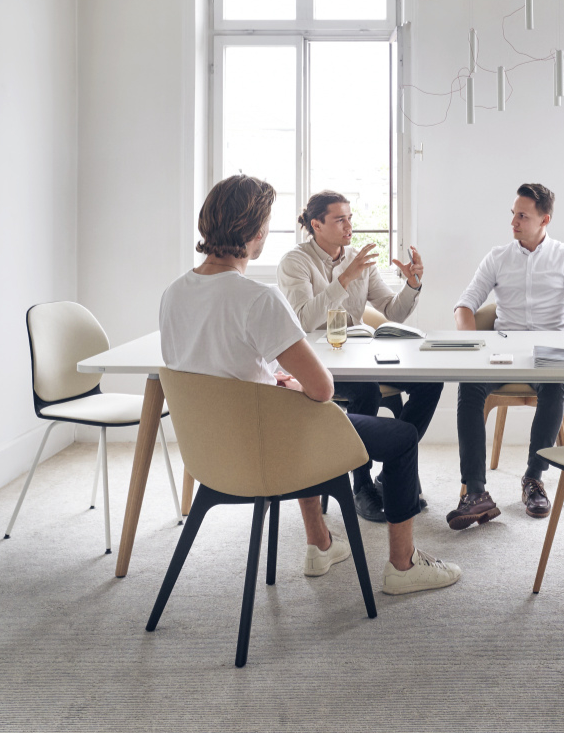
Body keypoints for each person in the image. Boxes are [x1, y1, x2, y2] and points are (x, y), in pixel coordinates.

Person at [160, 174, 460, 595]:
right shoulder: (257, 297)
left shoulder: (173, 294)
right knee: (400, 435)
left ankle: (320, 543)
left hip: (212, 454)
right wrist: (288, 384)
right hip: (273, 446)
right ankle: (403, 567)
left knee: (297, 405)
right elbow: (320, 388)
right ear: (256, 231)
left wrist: (273, 380)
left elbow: (214, 369)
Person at [277, 190, 442, 524]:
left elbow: (392, 311)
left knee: (430, 379)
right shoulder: (295, 262)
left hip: (362, 353)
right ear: (316, 224)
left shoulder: (358, 259)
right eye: (340, 219)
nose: (349, 225)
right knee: (366, 390)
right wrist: (345, 278)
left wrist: (412, 285)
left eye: (350, 217)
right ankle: (361, 483)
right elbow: (305, 320)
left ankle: (392, 468)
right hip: (319, 363)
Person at [449, 183, 564, 528]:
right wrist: (473, 345)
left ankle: (534, 479)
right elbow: (465, 304)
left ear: (544, 219)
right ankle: (475, 492)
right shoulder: (498, 257)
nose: (514, 222)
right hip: (502, 351)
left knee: (554, 388)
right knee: (468, 387)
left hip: (548, 354)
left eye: (523, 215)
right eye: (513, 214)